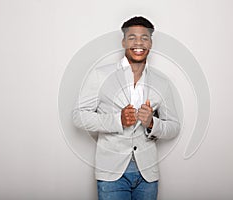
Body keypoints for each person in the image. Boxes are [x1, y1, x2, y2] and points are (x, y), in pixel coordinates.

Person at [73, 16, 180, 200]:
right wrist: (117, 120)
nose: (139, 43)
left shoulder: (162, 83)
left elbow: (174, 127)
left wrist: (151, 124)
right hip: (111, 173)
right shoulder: (100, 75)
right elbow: (78, 116)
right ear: (123, 41)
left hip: (148, 174)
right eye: (132, 37)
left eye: (144, 38)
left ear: (151, 43)